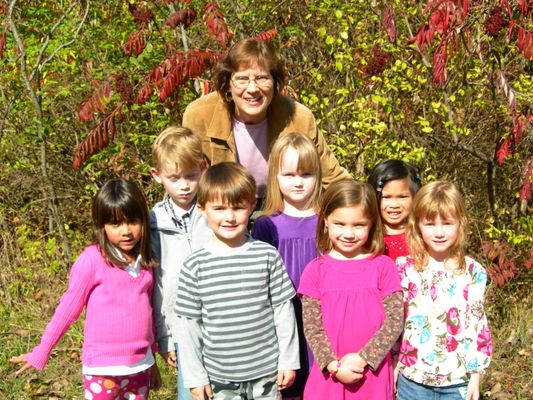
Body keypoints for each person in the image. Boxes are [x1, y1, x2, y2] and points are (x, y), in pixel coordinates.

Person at [11, 179, 161, 399]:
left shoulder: (146, 262)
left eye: (133, 221)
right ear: (102, 225)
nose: (126, 231)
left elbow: (148, 315)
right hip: (101, 370)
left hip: (139, 367)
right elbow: (66, 312)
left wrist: (152, 360)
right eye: (115, 224)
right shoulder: (92, 260)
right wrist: (42, 350)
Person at [176, 162, 300, 400]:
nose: (230, 217)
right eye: (220, 208)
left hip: (267, 375)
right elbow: (189, 326)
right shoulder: (195, 265)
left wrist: (288, 360)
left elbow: (283, 312)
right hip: (220, 379)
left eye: (238, 207)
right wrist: (195, 377)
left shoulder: (266, 256)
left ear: (252, 206)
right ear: (202, 208)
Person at [182, 38, 349, 205]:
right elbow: (183, 178)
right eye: (242, 79)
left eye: (262, 78)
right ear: (228, 84)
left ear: (275, 82)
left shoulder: (299, 117)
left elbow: (332, 178)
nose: (252, 89)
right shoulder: (199, 115)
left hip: (280, 207)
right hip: (221, 208)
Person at [298, 179, 404, 399]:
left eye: (358, 225)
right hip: (330, 377)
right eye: (340, 224)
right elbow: (312, 327)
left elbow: (394, 321)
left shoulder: (384, 267)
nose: (348, 233)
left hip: (371, 376)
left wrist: (363, 358)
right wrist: (334, 366)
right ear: (326, 221)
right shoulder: (315, 271)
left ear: (371, 224)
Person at [395, 181, 492, 400]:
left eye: (447, 223)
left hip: (457, 381)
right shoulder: (404, 269)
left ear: (460, 224)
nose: (439, 232)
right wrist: (394, 364)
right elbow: (397, 322)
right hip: (412, 380)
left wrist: (475, 376)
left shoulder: (472, 272)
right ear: (417, 225)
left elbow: (477, 325)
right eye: (430, 224)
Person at [252, 132, 321, 399]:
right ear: (275, 177)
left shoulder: (328, 221)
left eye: (306, 175)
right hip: (282, 319)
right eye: (289, 175)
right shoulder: (266, 224)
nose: (298, 182)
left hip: (319, 317)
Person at [150, 126, 212, 400]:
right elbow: (157, 286)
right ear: (157, 176)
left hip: (221, 325)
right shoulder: (153, 223)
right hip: (181, 328)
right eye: (174, 178)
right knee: (192, 393)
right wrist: (164, 336)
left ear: (203, 169)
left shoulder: (217, 211)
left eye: (191, 176)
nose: (184, 185)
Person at [368, 159, 421, 261]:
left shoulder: (421, 234)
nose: (394, 205)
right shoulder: (366, 235)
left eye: (402, 197)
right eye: (386, 197)